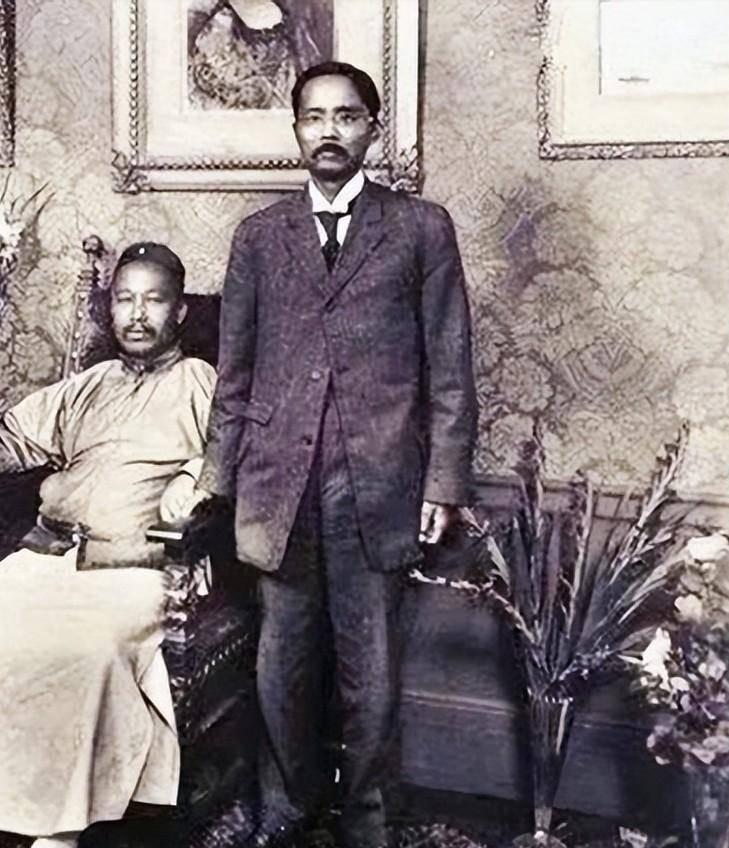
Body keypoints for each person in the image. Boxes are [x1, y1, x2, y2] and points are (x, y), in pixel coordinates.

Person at [196, 61, 477, 847]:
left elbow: (450, 367)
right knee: (279, 665)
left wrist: (442, 482)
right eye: (314, 117)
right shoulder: (260, 237)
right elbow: (235, 375)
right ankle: (284, 812)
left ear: (371, 131)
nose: (329, 131)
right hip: (278, 485)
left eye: (347, 117)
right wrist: (216, 482)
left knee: (371, 669)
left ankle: (367, 821)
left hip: (378, 484)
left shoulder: (420, 228)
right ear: (295, 130)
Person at [0, 242, 213, 848]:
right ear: (110, 309)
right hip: (50, 556)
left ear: (179, 311)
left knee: (85, 651)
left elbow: (233, 453)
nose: (137, 314)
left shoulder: (201, 383)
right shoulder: (90, 383)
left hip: (135, 567)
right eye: (124, 300)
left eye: (154, 301)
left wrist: (194, 477)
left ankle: (59, 831)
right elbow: (18, 437)